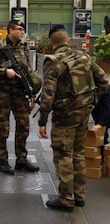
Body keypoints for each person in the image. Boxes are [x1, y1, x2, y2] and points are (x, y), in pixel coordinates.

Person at [38, 25, 108, 212]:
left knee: (63, 155)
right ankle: (79, 195)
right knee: (78, 154)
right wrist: (92, 102)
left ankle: (66, 199)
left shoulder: (53, 61)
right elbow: (103, 81)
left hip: (64, 116)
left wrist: (42, 121)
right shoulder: (84, 57)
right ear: (67, 40)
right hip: (84, 113)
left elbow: (48, 95)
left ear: (52, 43)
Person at [0, 20, 40, 175]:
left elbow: (27, 72)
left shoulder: (23, 48)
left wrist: (31, 94)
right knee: (3, 128)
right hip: (2, 94)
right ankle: (3, 161)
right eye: (19, 29)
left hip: (20, 94)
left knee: (23, 127)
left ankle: (21, 160)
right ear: (10, 30)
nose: (22, 32)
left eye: (23, 29)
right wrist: (4, 72)